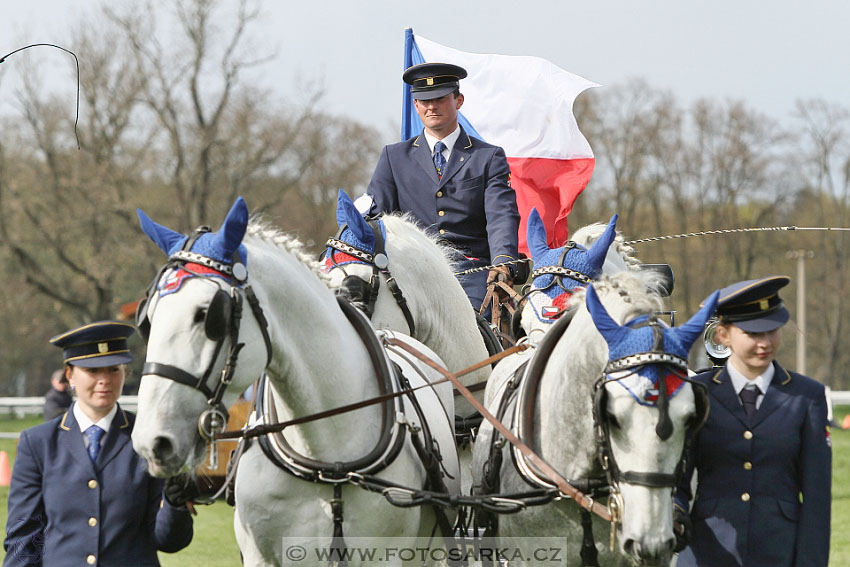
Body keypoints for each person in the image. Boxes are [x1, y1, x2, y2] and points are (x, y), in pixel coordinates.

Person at [4, 321, 196, 567]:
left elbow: (168, 540)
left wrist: (175, 503)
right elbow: (24, 537)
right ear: (70, 375)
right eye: (93, 371)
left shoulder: (148, 439)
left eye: (114, 369)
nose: (105, 380)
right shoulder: (38, 443)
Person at [674, 276, 831, 567]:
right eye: (753, 333)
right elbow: (678, 483)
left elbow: (816, 498)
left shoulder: (807, 396)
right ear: (723, 334)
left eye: (772, 331)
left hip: (779, 554)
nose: (765, 343)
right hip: (706, 553)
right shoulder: (697, 393)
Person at [361, 62, 521, 309]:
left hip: (472, 272)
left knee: (481, 328)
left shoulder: (488, 157)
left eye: (440, 98)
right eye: (424, 101)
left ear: (459, 101)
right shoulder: (394, 157)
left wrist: (502, 261)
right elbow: (376, 217)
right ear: (416, 105)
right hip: (412, 272)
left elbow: (501, 215)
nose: (432, 106)